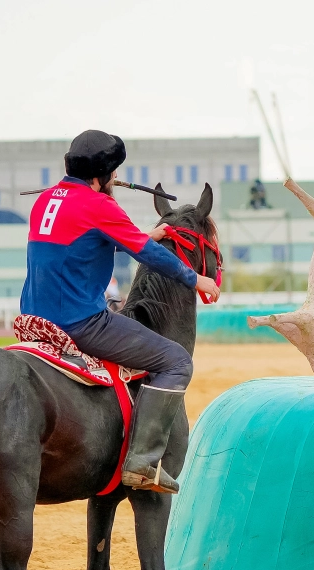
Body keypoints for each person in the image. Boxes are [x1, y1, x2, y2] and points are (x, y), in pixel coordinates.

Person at [21, 130, 221, 493]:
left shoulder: (46, 201)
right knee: (176, 361)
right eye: (113, 172)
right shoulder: (100, 205)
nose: (116, 178)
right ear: (101, 176)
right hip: (80, 323)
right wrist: (195, 280)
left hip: (33, 321)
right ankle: (142, 462)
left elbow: (81, 244)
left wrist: (142, 234)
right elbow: (148, 255)